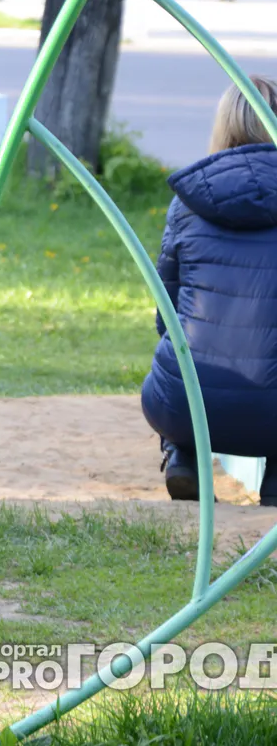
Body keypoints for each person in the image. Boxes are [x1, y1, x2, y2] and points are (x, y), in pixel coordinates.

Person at [142, 76, 277, 507]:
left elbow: (167, 313)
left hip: (188, 406)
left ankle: (183, 453)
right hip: (273, 410)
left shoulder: (189, 202)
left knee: (178, 360)